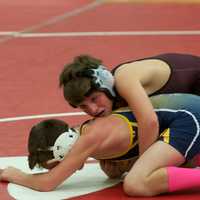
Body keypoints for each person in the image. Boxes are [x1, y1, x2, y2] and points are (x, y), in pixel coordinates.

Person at [1, 93, 200, 197]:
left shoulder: (90, 137)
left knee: (136, 184)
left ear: (63, 147)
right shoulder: (91, 141)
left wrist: (16, 175)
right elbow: (114, 172)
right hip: (184, 119)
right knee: (170, 171)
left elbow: (47, 184)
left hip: (188, 117)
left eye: (58, 164)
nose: (66, 169)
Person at [59, 53, 200, 156]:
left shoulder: (124, 79)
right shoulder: (112, 98)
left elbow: (149, 123)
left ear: (106, 84)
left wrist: (142, 165)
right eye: (83, 106)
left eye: (94, 98)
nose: (93, 109)